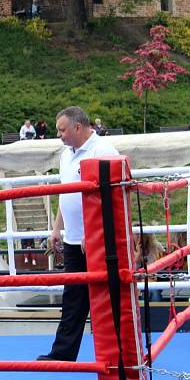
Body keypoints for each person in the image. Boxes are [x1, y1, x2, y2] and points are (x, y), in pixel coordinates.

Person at [37, 106, 119, 362]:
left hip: (97, 239)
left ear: (78, 127)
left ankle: (119, 353)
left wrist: (95, 231)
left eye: (62, 130)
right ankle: (63, 353)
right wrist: (57, 226)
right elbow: (67, 193)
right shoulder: (66, 155)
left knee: (107, 297)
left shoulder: (103, 151)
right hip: (74, 239)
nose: (59, 135)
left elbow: (114, 197)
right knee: (73, 297)